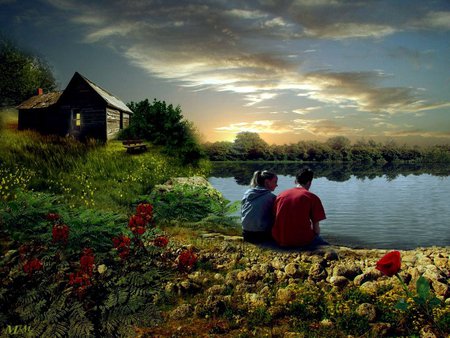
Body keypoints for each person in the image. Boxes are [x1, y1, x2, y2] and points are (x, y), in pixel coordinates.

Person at [272, 168, 328, 248]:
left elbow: (274, 217)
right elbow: (316, 228)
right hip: (302, 241)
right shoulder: (312, 197)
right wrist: (316, 236)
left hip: (279, 239)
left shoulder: (281, 195)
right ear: (309, 183)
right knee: (326, 245)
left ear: (295, 181)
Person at [241, 170, 278, 243]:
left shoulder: (247, 193)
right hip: (261, 235)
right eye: (275, 182)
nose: (277, 185)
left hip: (246, 233)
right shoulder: (271, 197)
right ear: (267, 182)